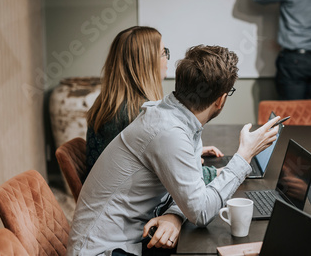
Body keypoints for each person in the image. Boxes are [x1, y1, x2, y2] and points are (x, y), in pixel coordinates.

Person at [67, 45, 280, 255]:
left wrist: (175, 214)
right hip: (104, 250)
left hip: (131, 237)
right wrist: (244, 156)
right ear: (221, 100)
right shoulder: (169, 132)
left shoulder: (176, 115)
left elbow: (188, 190)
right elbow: (202, 212)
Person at [85, 26, 222, 183]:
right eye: (163, 53)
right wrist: (220, 173)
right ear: (147, 63)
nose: (167, 59)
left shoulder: (108, 103)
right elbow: (173, 177)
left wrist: (186, 152)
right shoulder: (138, 114)